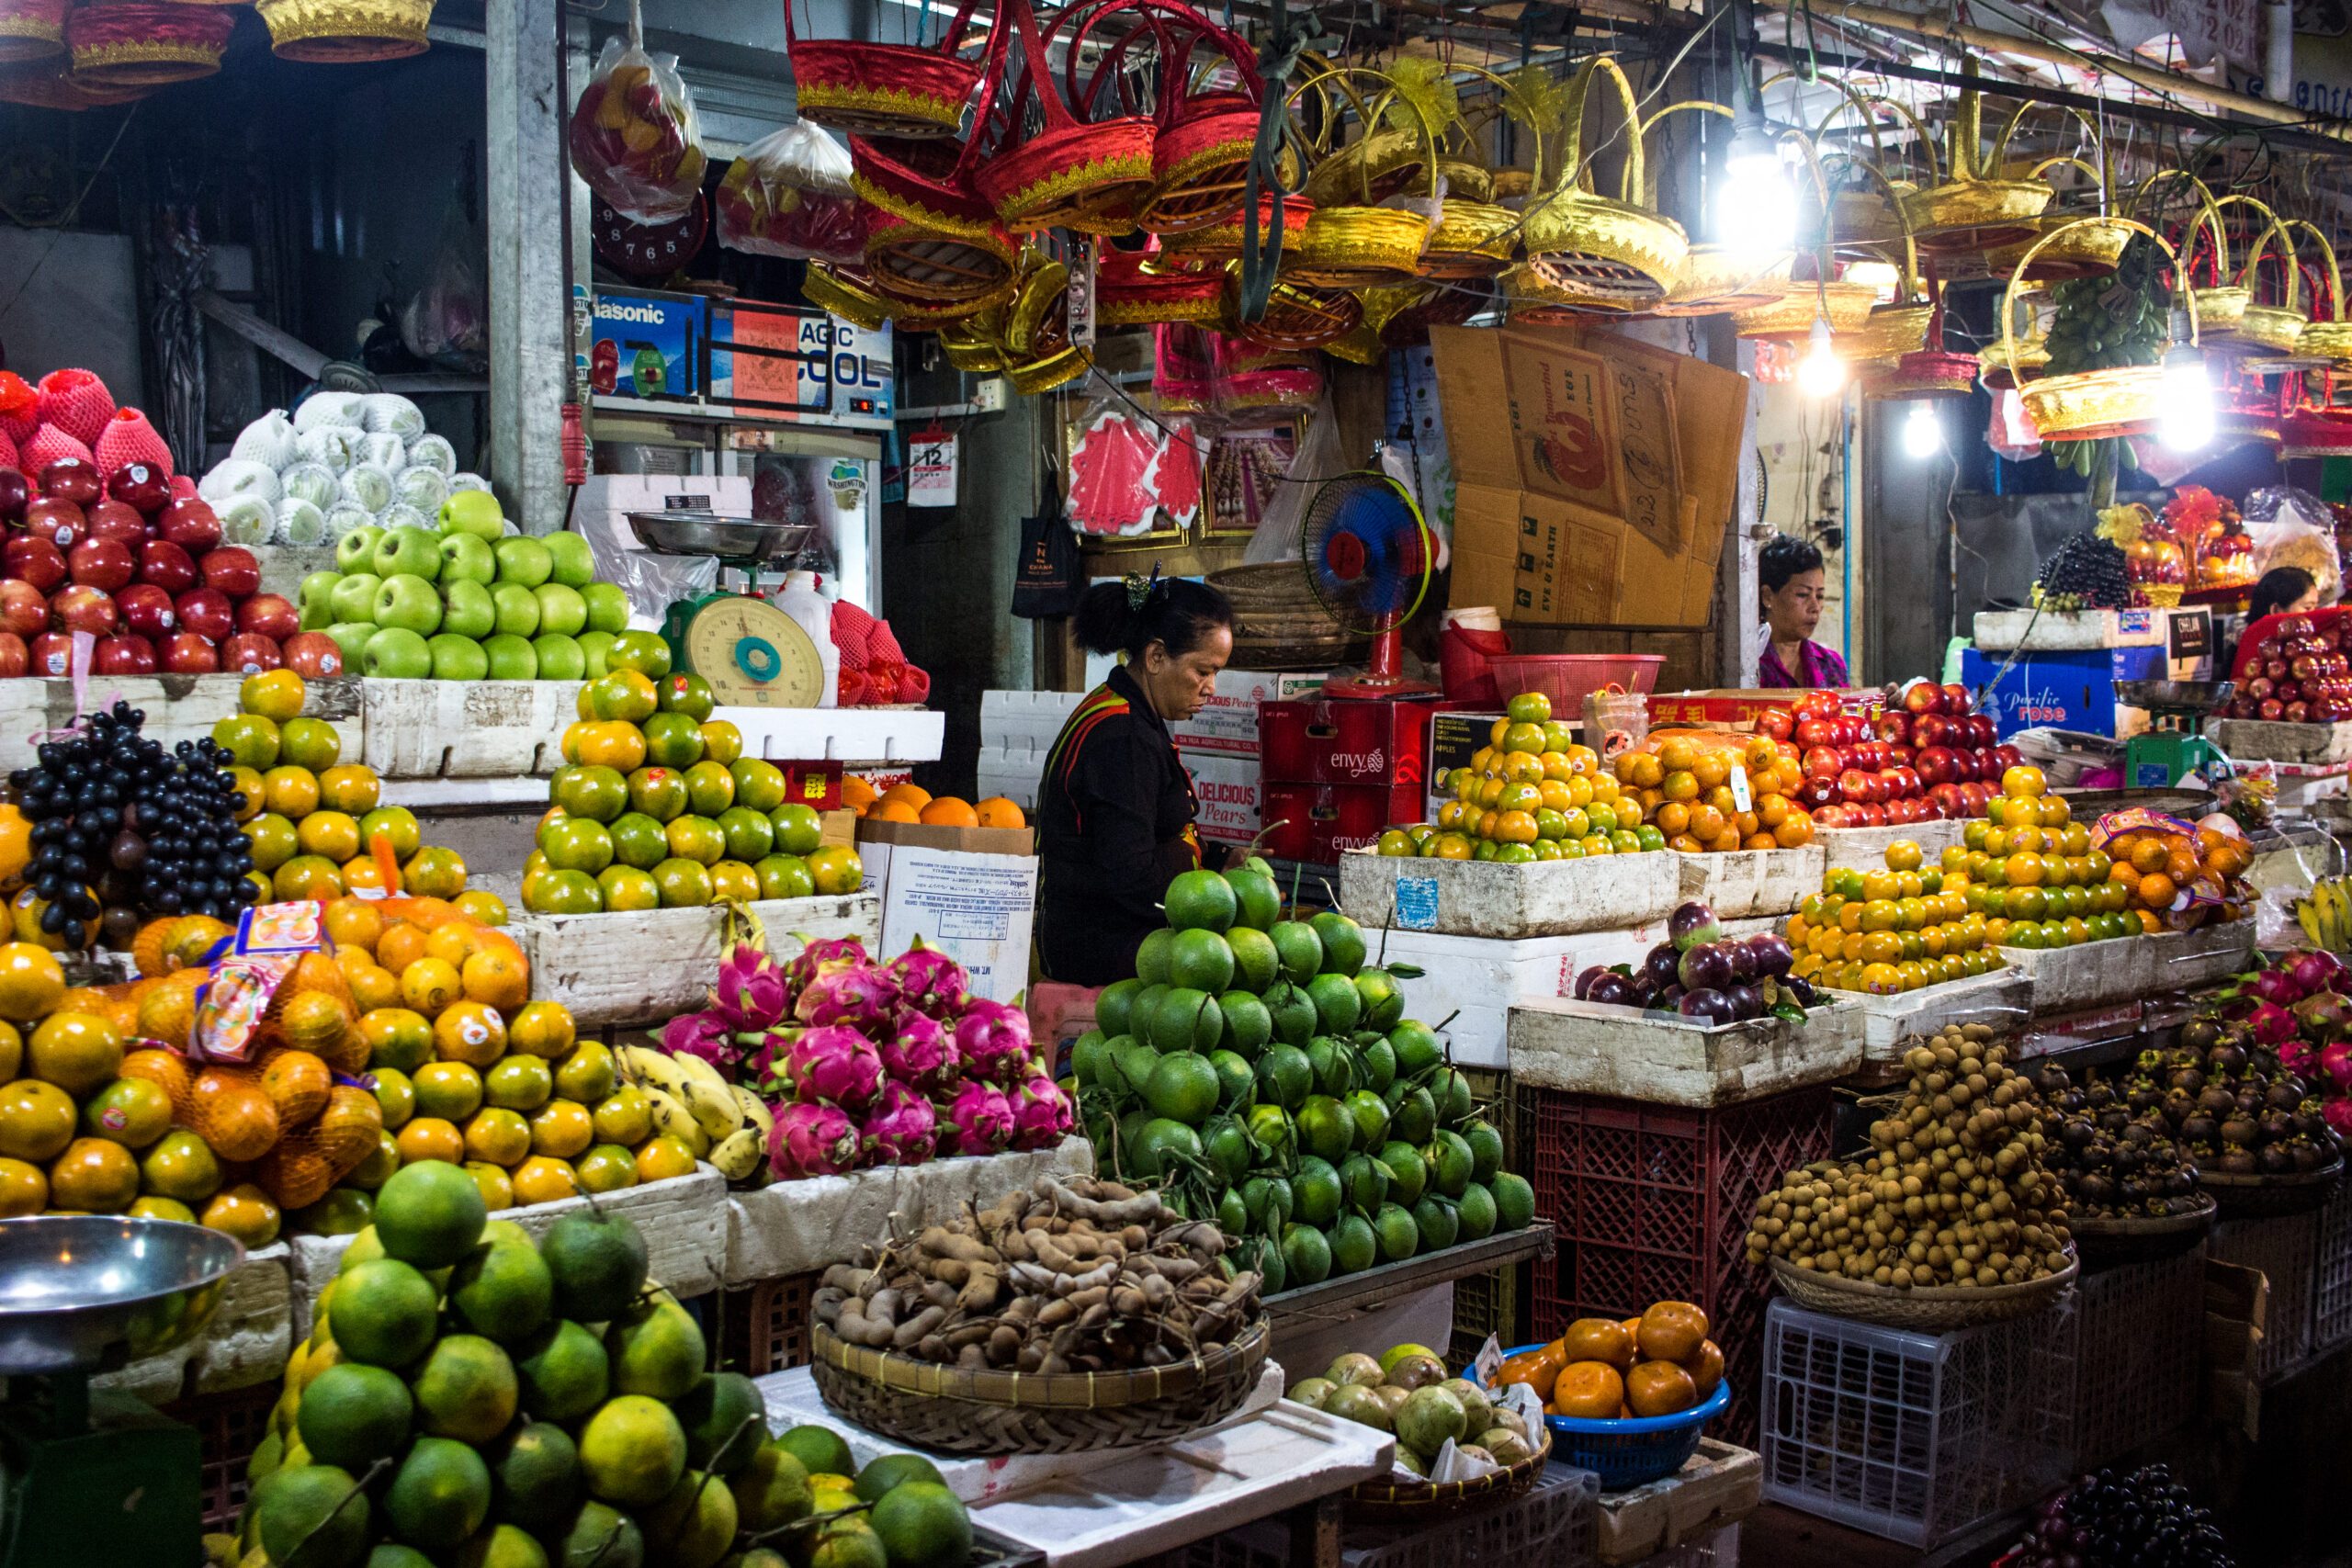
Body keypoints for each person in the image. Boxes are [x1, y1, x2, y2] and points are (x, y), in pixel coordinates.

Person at [1035, 570, 1234, 987]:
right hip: (1101, 950)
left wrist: (1217, 858)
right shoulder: (1123, 738)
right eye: (1203, 670)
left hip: (1099, 934)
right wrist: (1217, 889)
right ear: (1156, 656)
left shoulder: (1123, 707)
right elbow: (1133, 878)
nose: (1211, 688)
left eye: (1216, 673)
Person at [1757, 533, 1851, 689]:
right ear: (1768, 596)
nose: (1815, 607)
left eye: (1820, 596)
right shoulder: (1748, 666)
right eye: (1802, 594)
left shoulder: (1831, 665)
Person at [2231, 566, 2320, 674]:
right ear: (2276, 610)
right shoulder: (2250, 653)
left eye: (2315, 608)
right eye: (2308, 608)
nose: (2314, 615)